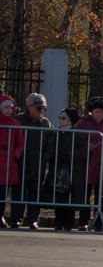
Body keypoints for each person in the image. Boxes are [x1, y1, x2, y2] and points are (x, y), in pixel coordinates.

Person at [74, 96, 103, 230]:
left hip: (102, 166)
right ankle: (83, 221)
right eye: (97, 111)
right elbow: (76, 139)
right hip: (86, 164)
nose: (100, 114)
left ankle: (99, 222)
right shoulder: (82, 124)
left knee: (101, 196)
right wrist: (85, 145)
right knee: (85, 194)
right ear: (91, 111)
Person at [10, 93, 52, 229]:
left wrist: (45, 157)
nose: (41, 111)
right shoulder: (18, 121)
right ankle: (16, 218)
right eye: (39, 108)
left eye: (43, 109)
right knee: (19, 192)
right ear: (29, 107)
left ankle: (33, 219)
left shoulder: (46, 124)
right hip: (20, 163)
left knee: (35, 192)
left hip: (38, 165)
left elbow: (51, 143)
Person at [48, 108, 81, 231]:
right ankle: (58, 222)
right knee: (58, 195)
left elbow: (82, 150)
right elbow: (50, 148)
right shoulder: (56, 133)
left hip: (71, 170)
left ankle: (68, 223)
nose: (60, 120)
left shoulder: (76, 134)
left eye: (63, 118)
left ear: (70, 121)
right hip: (57, 168)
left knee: (68, 197)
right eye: (59, 118)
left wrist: (71, 154)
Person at [0, 95, 26, 226]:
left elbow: (20, 142)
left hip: (8, 163)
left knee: (4, 192)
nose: (8, 110)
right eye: (5, 107)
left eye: (10, 108)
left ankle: (1, 215)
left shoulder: (15, 124)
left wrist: (16, 154)